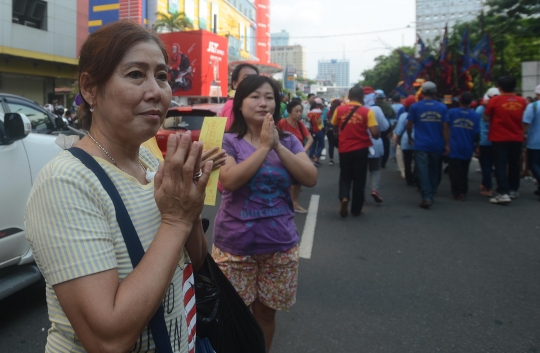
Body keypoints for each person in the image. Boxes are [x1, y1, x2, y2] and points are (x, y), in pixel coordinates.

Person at [24, 22, 212, 352]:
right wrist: (177, 220)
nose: (156, 91)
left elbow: (194, 262)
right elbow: (106, 339)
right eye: (136, 74)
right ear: (91, 88)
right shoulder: (67, 181)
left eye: (163, 76)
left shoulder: (153, 163)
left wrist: (190, 208)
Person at [212, 75, 317, 352]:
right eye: (255, 96)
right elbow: (231, 180)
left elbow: (310, 177)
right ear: (240, 103)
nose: (263, 103)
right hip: (234, 246)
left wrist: (277, 145)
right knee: (235, 315)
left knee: (266, 314)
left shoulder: (290, 142)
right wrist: (263, 149)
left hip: (279, 245)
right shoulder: (229, 141)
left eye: (269, 97)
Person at [332, 85, 380, 217]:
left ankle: (344, 197)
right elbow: (375, 132)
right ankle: (356, 209)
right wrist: (377, 134)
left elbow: (334, 124)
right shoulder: (367, 111)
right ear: (362, 97)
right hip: (361, 149)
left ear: (349, 96)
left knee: (345, 176)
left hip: (344, 149)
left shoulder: (339, 110)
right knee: (359, 179)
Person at [484, 76, 528, 204]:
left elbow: (486, 117)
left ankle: (503, 192)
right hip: (517, 137)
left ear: (500, 87)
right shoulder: (522, 101)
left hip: (499, 137)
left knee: (500, 165)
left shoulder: (495, 101)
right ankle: (514, 189)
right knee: (514, 164)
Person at [406, 81, 450, 209]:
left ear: (422, 92)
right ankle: (431, 192)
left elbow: (409, 124)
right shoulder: (442, 107)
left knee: (422, 170)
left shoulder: (415, 107)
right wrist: (447, 144)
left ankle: (426, 196)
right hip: (437, 144)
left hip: (421, 145)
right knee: (434, 169)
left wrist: (409, 137)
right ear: (435, 92)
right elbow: (445, 127)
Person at [277, 100, 314, 213]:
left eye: (300, 111)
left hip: (297, 157)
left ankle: (294, 203)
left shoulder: (300, 124)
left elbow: (310, 139)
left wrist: (303, 150)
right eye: (296, 111)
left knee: (298, 180)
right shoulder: (282, 123)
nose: (299, 113)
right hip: (283, 156)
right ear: (289, 112)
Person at [447, 92, 481, 200]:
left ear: (460, 101)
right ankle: (463, 190)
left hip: (454, 146)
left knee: (454, 171)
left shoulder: (452, 112)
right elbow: (477, 133)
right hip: (467, 146)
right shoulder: (475, 115)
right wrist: (477, 146)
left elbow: (445, 127)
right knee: (464, 170)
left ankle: (457, 192)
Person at [364, 88, 389, 203]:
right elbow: (385, 127)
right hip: (375, 142)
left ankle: (361, 194)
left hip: (360, 145)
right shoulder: (377, 109)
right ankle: (374, 189)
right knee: (375, 169)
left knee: (361, 170)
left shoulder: (358, 109)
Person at [475, 87, 500, 196]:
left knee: (485, 165)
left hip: (483, 140)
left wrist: (476, 144)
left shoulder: (481, 109)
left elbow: (476, 125)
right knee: (492, 165)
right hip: (496, 140)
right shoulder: (499, 108)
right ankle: (486, 184)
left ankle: (488, 188)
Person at [220, 63, 260, 130]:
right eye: (246, 78)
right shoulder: (233, 106)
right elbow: (234, 137)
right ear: (235, 84)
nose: (252, 82)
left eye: (255, 79)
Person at [393, 95, 417, 186]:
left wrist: (395, 141)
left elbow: (399, 130)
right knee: (418, 161)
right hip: (418, 140)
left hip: (406, 141)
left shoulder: (403, 115)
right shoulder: (419, 114)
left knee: (407, 161)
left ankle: (409, 179)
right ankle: (416, 176)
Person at [523, 84, 540, 200]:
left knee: (533, 164)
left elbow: (526, 123)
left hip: (535, 141)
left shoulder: (533, 106)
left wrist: (523, 134)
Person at [374, 89, 395, 168]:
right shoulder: (388, 106)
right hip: (386, 127)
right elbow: (393, 116)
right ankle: (383, 163)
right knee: (386, 145)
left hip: (373, 127)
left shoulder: (372, 105)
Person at [307, 98, 325, 167]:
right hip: (319, 130)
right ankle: (316, 159)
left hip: (312, 130)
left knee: (313, 145)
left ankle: (310, 159)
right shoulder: (319, 111)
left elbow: (307, 120)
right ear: (319, 105)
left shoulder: (310, 112)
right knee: (321, 145)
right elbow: (320, 121)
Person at [326, 99, 342, 166]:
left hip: (329, 130)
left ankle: (331, 160)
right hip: (338, 130)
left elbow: (327, 119)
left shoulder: (329, 111)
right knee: (340, 145)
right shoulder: (340, 110)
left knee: (330, 144)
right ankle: (340, 159)